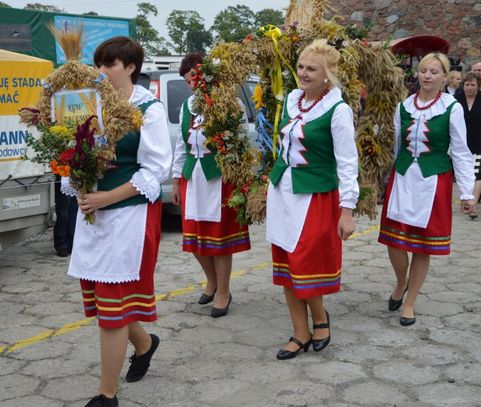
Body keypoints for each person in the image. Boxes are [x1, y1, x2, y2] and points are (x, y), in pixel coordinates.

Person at [64, 37, 172, 407]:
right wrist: (74, 177)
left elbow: (157, 170)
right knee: (104, 301)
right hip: (94, 212)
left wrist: (107, 197)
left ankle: (106, 394)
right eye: (100, 64)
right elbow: (76, 152)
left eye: (109, 64)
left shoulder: (149, 110)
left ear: (130, 67)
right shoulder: (90, 105)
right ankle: (144, 344)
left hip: (129, 214)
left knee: (111, 309)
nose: (102, 71)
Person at [266, 39, 359, 360]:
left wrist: (347, 211)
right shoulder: (292, 100)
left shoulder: (338, 110)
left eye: (311, 69)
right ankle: (301, 331)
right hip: (283, 191)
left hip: (316, 196)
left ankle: (319, 318)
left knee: (303, 262)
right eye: (301, 67)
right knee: (286, 264)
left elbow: (348, 162)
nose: (303, 74)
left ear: (327, 76)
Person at [378, 53, 476, 327]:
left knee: (422, 246)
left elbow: (460, 150)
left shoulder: (451, 108)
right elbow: (398, 145)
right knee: (393, 240)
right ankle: (401, 282)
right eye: (423, 70)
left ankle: (410, 303)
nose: (427, 76)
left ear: (445, 77)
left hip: (433, 181)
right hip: (403, 177)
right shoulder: (404, 106)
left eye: (434, 71)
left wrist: (467, 192)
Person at [171, 52, 251, 319]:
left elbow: (241, 142)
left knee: (219, 238)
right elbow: (181, 144)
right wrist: (175, 179)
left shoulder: (230, 103)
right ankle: (211, 280)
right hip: (192, 177)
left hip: (219, 177)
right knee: (193, 238)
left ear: (206, 75)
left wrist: (241, 177)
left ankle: (224, 291)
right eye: (187, 80)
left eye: (194, 77)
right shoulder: (187, 106)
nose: (191, 84)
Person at [455, 72, 481, 219]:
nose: (469, 88)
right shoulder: (456, 99)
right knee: (464, 173)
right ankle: (466, 199)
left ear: (478, 86)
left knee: (478, 173)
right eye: (467, 84)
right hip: (461, 143)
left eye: (473, 85)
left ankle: (473, 206)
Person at [53, 174, 78, 257]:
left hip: (75, 174)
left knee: (74, 209)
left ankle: (71, 243)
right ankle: (61, 244)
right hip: (62, 173)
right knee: (63, 211)